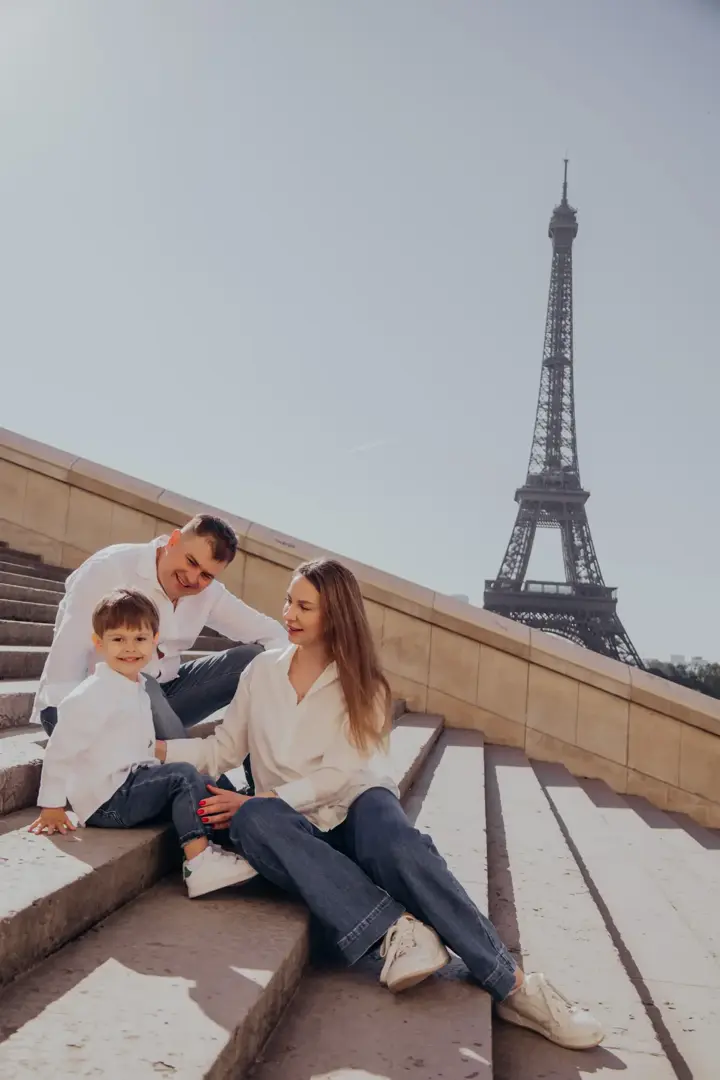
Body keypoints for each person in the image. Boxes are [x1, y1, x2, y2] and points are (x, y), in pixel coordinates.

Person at [156, 557, 605, 1050]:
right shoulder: (261, 671)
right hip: (293, 831)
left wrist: (270, 797)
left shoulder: (364, 684)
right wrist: (153, 750)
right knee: (256, 819)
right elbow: (221, 750)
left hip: (354, 808)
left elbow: (340, 775)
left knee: (395, 839)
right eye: (289, 601)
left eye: (305, 606)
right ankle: (397, 929)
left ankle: (515, 986)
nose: (290, 613)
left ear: (336, 616)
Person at [28, 588, 258, 898]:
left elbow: (136, 743)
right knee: (182, 777)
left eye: (139, 639)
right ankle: (200, 863)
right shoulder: (91, 694)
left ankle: (232, 845)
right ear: (99, 643)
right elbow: (61, 748)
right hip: (108, 801)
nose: (130, 648)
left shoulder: (133, 685)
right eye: (118, 639)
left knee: (202, 783)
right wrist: (52, 805)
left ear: (154, 641)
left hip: (130, 783)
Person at [31, 514, 287, 743]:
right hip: (92, 700)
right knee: (144, 685)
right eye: (191, 561)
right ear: (174, 540)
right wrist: (69, 723)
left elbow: (272, 632)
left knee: (257, 659)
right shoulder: (112, 568)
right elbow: (68, 655)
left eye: (207, 575)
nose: (193, 578)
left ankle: (262, 770)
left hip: (164, 698)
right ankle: (201, 782)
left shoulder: (209, 594)